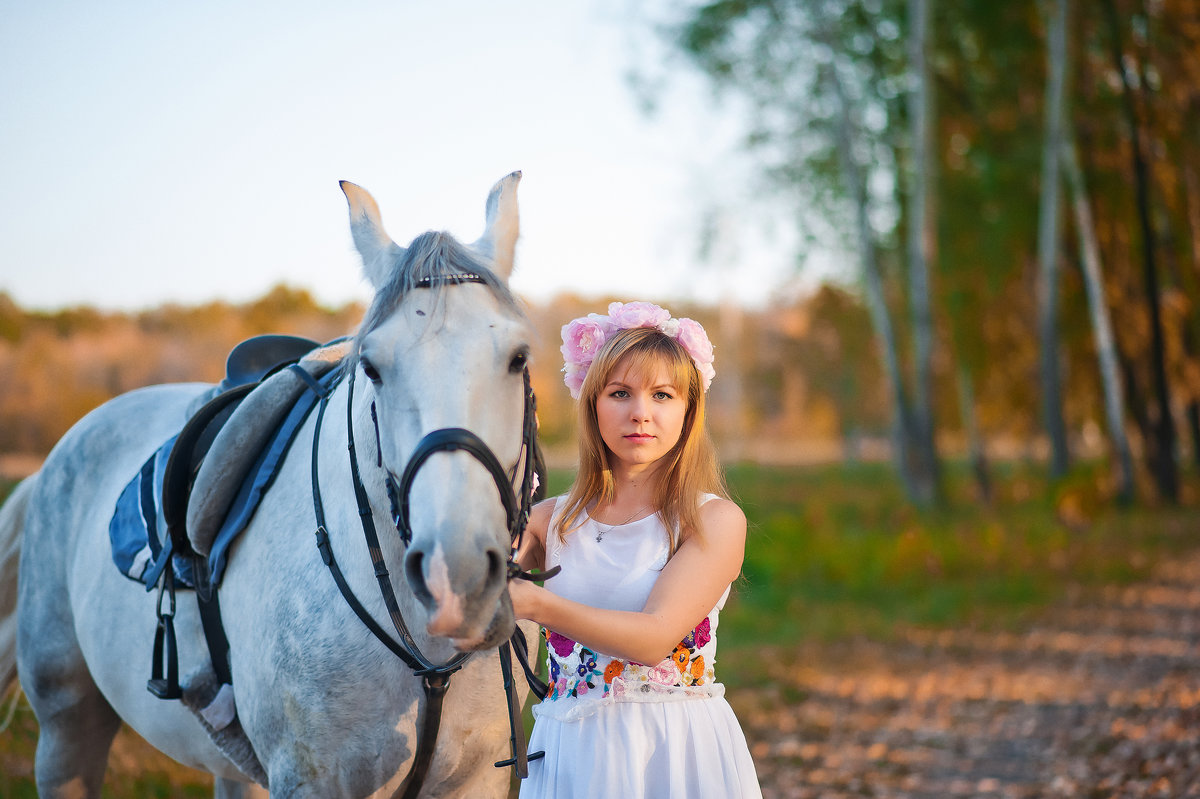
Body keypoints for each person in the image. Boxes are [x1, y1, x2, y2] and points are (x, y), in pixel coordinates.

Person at [511, 301, 763, 798]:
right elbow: (466, 601)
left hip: (671, 753)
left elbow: (653, 640)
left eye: (663, 395)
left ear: (689, 410)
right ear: (592, 404)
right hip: (571, 754)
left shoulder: (711, 519)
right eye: (620, 393)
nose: (640, 413)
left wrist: (535, 604)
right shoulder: (546, 521)